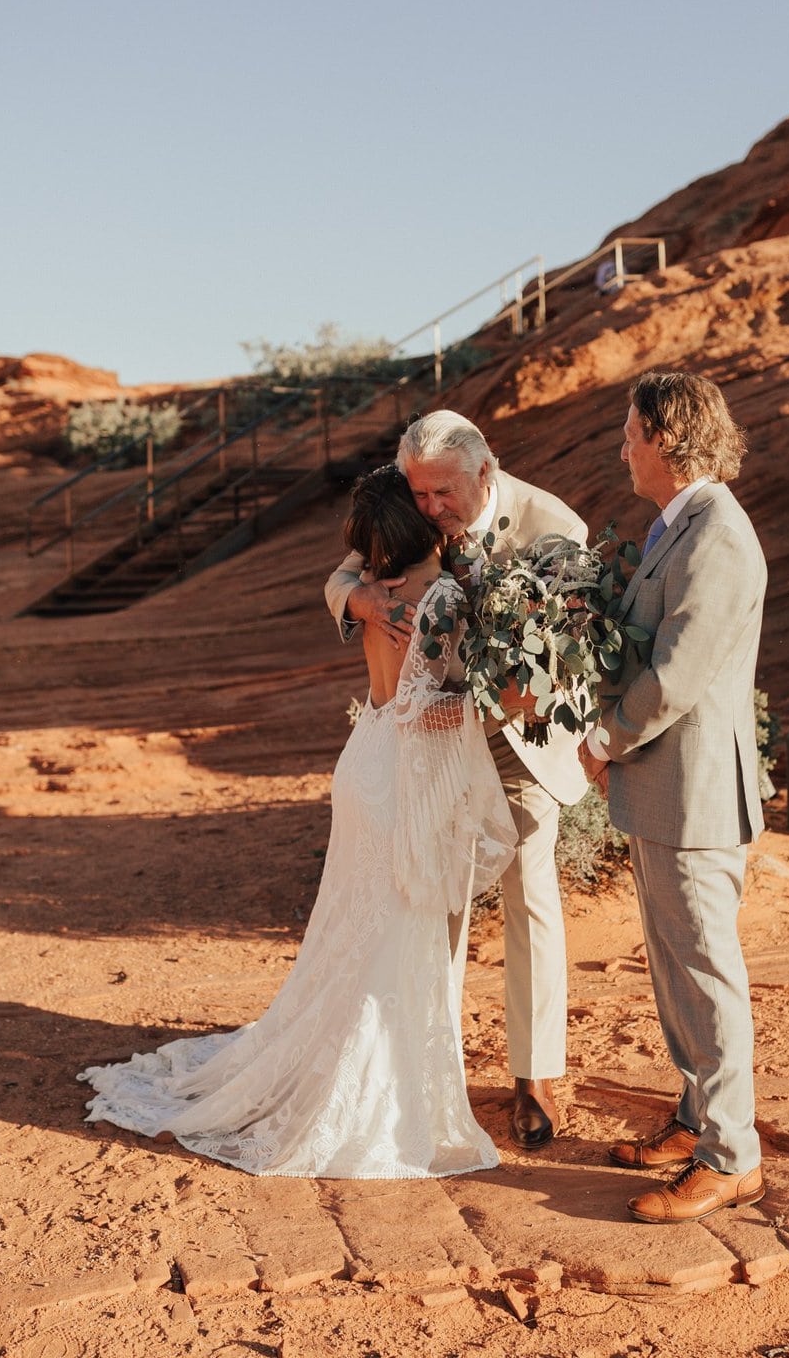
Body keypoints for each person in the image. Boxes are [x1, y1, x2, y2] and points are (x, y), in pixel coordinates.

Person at [80, 467, 517, 1178]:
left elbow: (393, 691)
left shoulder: (378, 592)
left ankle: (354, 1072)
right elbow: (426, 706)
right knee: (393, 936)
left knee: (357, 929)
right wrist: (500, 699)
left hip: (366, 761)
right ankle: (376, 1099)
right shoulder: (439, 598)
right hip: (400, 774)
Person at [324, 410, 588, 1151]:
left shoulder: (554, 524)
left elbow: (565, 650)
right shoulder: (416, 501)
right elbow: (348, 567)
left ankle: (534, 1077)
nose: (429, 509)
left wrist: (473, 704)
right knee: (432, 889)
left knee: (529, 887)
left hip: (520, 737)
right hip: (432, 745)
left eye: (441, 493)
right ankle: (424, 1058)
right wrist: (360, 598)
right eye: (419, 493)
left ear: (484, 471)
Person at [580, 370, 766, 1224]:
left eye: (631, 431)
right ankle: (696, 1119)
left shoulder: (717, 536)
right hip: (664, 789)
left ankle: (733, 1158)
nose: (622, 445)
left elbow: (680, 673)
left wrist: (604, 737)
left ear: (670, 438)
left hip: (694, 793)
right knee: (673, 966)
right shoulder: (676, 526)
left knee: (705, 970)